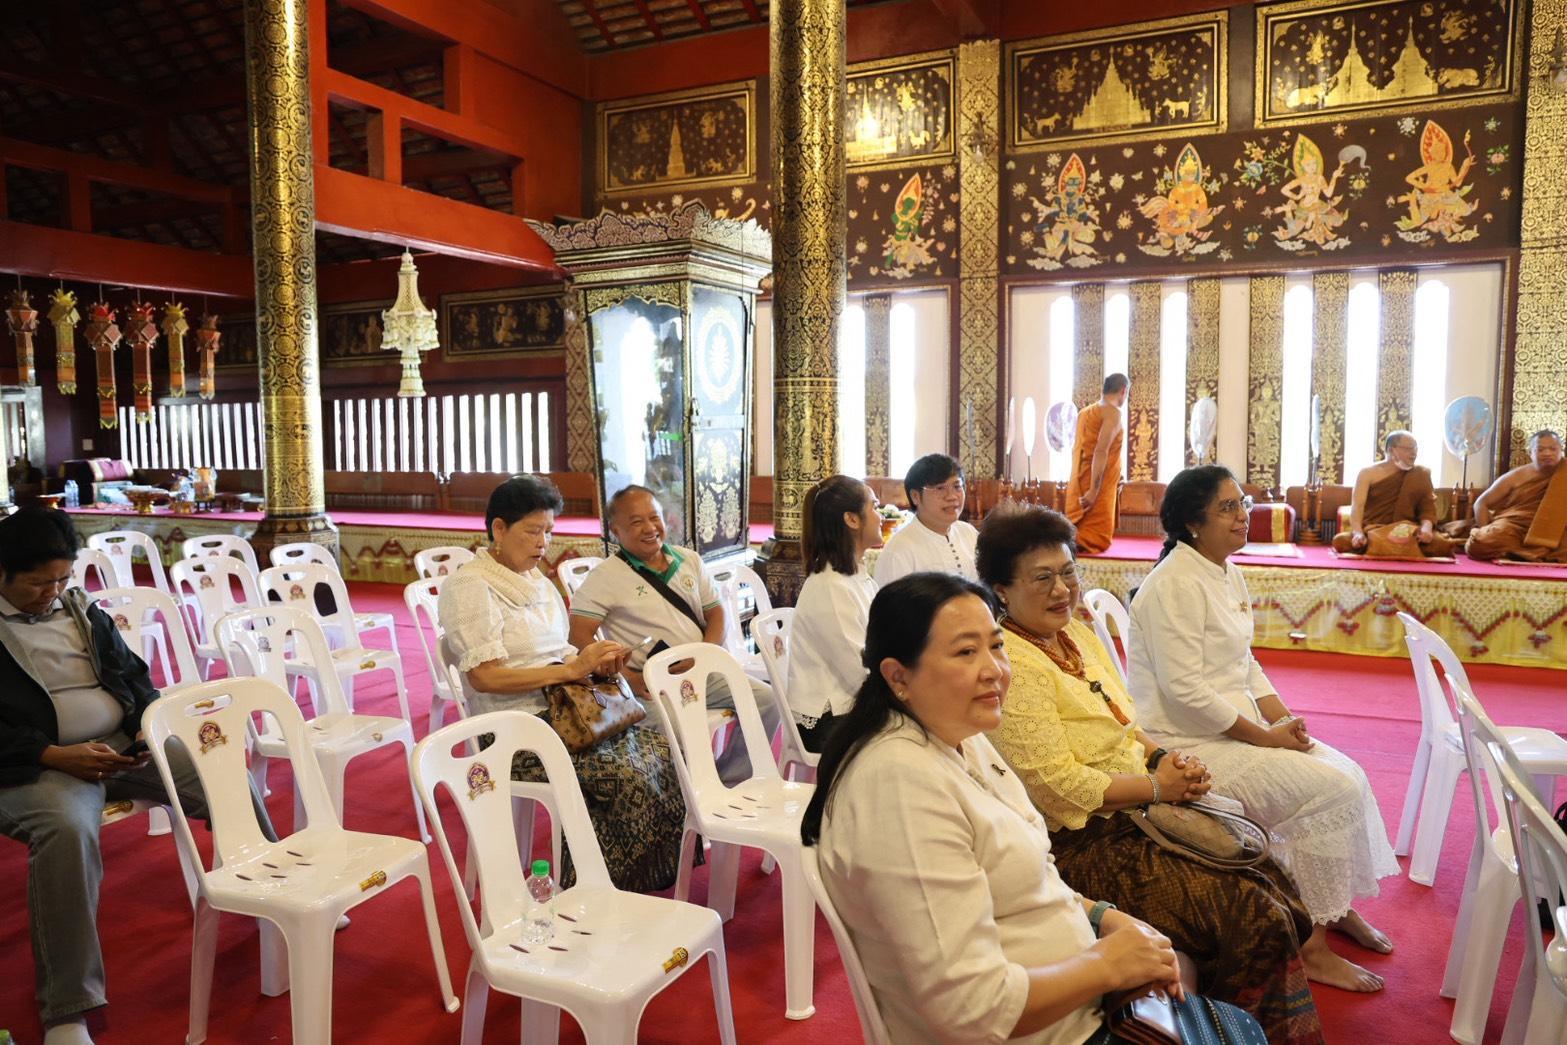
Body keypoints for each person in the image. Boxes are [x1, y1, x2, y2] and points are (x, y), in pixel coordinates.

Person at [802, 572, 1266, 1045]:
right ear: (898, 676)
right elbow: (971, 1009)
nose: (995, 670)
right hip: (1047, 1033)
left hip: (1078, 1005)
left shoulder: (959, 733)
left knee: (1219, 970)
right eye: (965, 652)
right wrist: (1108, 964)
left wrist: (1106, 919)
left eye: (996, 646)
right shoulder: (899, 786)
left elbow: (1028, 877)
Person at [978, 507, 1323, 1043]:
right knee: (1251, 911)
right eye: (1041, 578)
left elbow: (1124, 722)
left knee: (1266, 872)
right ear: (1002, 590)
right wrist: (1160, 787)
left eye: (1068, 572)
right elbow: (1057, 787)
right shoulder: (1016, 666)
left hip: (1138, 812)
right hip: (1083, 843)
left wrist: (1163, 759)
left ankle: (1226, 1020)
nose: (1061, 590)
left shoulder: (1074, 634)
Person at [0, 507, 273, 1045]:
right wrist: (53, 754)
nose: (51, 593)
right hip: (39, 762)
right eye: (37, 583)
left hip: (120, 746)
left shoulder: (80, 609)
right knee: (66, 833)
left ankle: (277, 890)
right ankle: (67, 1010)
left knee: (218, 771)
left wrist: (147, 729)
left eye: (61, 579)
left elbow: (134, 677)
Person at [1128, 466, 1399, 992]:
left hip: (1237, 728)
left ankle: (1333, 906)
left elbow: (1244, 662)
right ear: (1193, 523)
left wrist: (1280, 718)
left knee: (1350, 772)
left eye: (1243, 504)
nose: (1242, 516)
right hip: (1187, 743)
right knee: (1331, 790)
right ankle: (1312, 948)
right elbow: (1185, 692)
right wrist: (1267, 737)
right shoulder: (1174, 584)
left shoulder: (1225, 570)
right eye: (1227, 507)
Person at [438, 475, 688, 891]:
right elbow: (484, 676)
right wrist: (570, 671)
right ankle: (596, 891)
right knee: (624, 776)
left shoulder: (538, 582)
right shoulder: (470, 585)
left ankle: (640, 883)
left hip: (570, 712)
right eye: (532, 531)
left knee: (662, 752)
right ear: (499, 528)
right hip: (514, 731)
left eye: (549, 531)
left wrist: (595, 664)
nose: (543, 543)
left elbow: (561, 652)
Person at [567, 484, 779, 785]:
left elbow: (716, 614)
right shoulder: (605, 576)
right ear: (615, 530)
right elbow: (579, 635)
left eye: (654, 518)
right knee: (679, 730)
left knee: (767, 701)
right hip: (649, 682)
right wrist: (627, 676)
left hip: (701, 671)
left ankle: (730, 780)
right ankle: (690, 795)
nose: (649, 528)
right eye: (636, 522)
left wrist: (703, 655)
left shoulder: (688, 559)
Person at [785, 475, 881, 753]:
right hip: (828, 720)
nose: (881, 516)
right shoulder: (830, 587)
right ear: (852, 519)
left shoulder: (855, 576)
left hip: (852, 706)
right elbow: (859, 671)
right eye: (874, 507)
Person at [1332, 431, 1455, 557]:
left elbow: (1427, 509)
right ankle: (1393, 548)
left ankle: (1381, 548)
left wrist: (1426, 529)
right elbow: (1357, 507)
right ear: (1391, 450)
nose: (1414, 453)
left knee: (1442, 544)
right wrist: (1358, 533)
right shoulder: (1367, 473)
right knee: (1340, 541)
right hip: (1375, 530)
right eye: (1408, 449)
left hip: (1408, 531)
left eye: (1415, 448)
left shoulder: (1421, 474)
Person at [873, 453, 978, 585]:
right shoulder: (898, 551)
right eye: (940, 488)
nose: (951, 496)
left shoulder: (969, 533)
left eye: (957, 487)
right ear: (915, 496)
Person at [1465, 429, 1567, 562]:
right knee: (1481, 543)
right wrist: (1485, 530)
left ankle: (1519, 553)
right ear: (1530, 452)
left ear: (1561, 450)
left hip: (1555, 528)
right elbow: (1481, 503)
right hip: (1515, 527)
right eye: (1540, 449)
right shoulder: (1516, 476)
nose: (1547, 453)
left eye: (1553, 449)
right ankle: (1532, 554)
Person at [1065, 373, 1128, 555]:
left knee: (1079, 535)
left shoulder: (1085, 413)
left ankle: (1066, 541)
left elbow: (1080, 452)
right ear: (1123, 391)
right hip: (1095, 487)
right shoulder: (1112, 413)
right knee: (1096, 540)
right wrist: (1093, 490)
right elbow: (1101, 451)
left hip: (1079, 481)